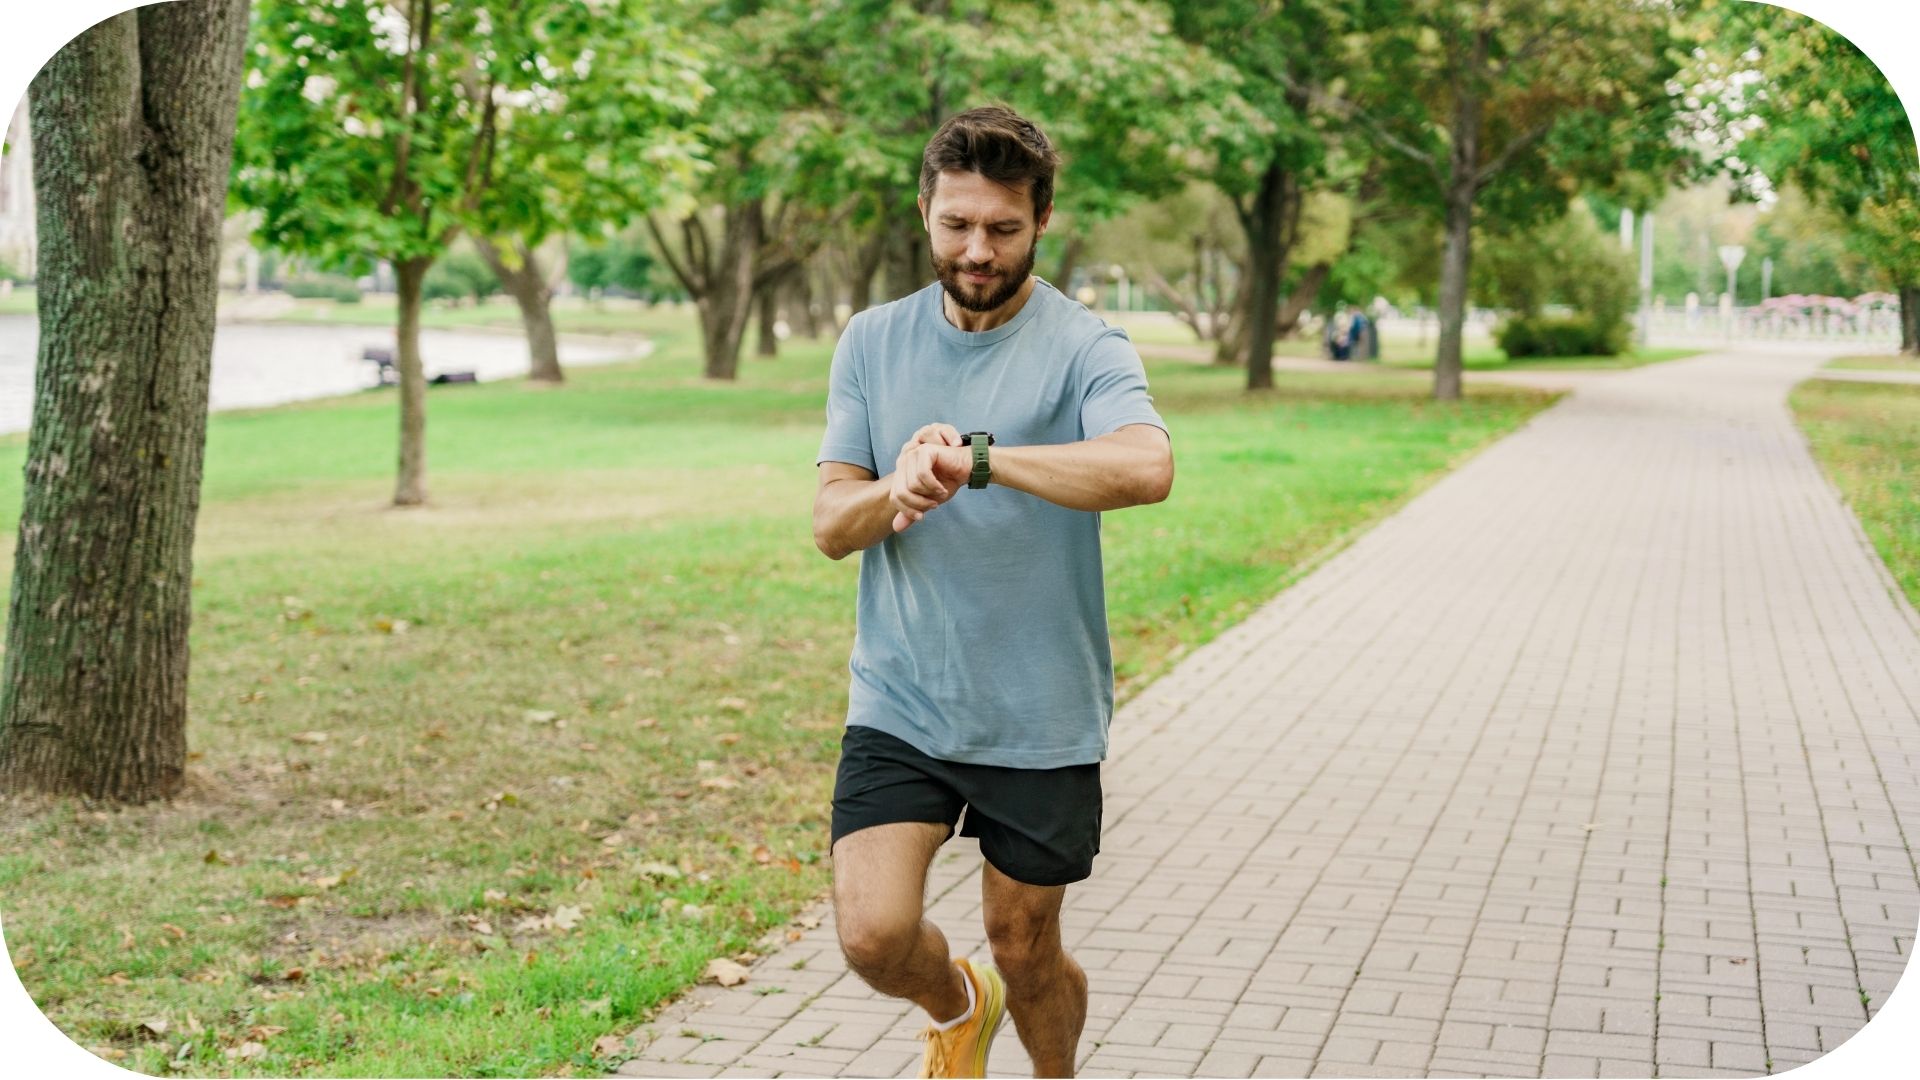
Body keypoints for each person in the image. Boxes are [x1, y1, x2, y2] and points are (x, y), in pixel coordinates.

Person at [811, 105, 1173, 1079]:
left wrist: (977, 460)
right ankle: (959, 1007)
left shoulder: (1087, 344)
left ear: (1041, 219)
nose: (977, 249)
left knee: (1027, 946)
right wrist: (898, 484)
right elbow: (830, 525)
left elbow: (1146, 467)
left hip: (1039, 713)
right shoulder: (872, 341)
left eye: (1002, 228)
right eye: (956, 224)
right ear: (925, 210)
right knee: (873, 935)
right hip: (903, 700)